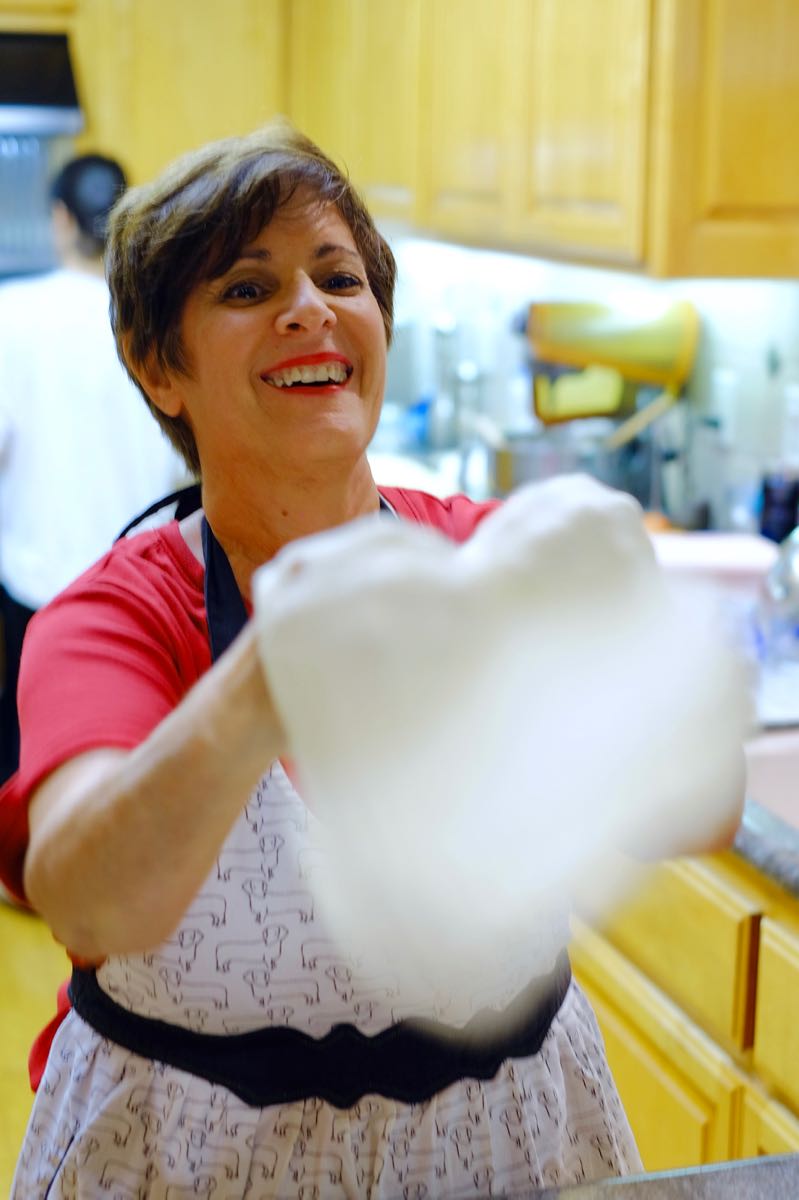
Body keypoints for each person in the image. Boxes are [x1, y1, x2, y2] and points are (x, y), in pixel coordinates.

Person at [0, 122, 743, 1198]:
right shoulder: (121, 614)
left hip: (509, 1151)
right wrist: (270, 677)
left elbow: (701, 810)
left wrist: (654, 656)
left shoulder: (485, 560)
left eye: (338, 275)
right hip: (194, 1165)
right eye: (247, 289)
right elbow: (90, 904)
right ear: (160, 365)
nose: (310, 306)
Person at [0, 152, 188, 784]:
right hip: (141, 592)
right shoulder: (159, 319)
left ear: (58, 220)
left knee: (35, 774)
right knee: (126, 770)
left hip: (38, 588)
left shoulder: (14, 315)